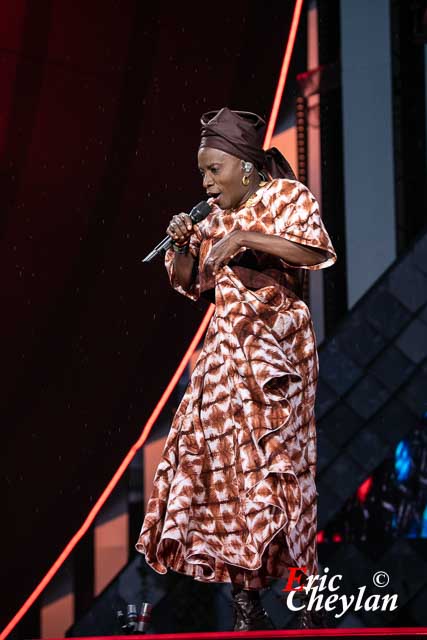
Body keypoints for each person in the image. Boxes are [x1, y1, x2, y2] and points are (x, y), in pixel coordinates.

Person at [136, 107, 337, 631]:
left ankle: (309, 595)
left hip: (279, 355)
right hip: (225, 358)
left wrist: (247, 238)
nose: (205, 182)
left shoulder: (288, 197)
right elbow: (188, 282)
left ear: (245, 167)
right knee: (232, 476)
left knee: (281, 471)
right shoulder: (211, 218)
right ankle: (247, 604)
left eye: (213, 171)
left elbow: (315, 250)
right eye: (202, 173)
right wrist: (182, 243)